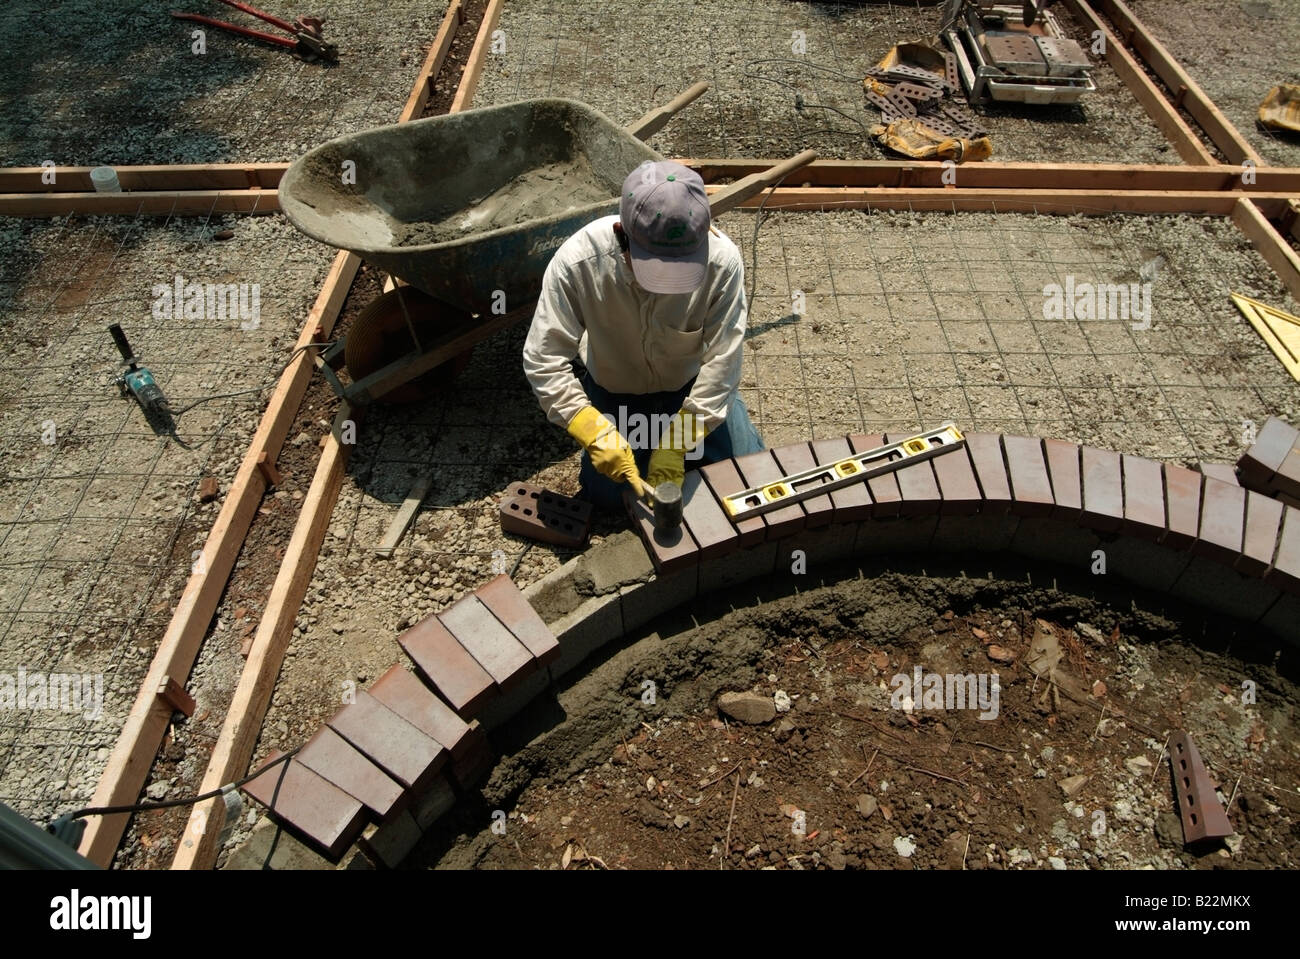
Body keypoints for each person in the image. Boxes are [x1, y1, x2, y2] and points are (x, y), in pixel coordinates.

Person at [523, 159, 764, 512]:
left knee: (746, 476)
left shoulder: (722, 262)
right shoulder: (578, 263)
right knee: (610, 498)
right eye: (654, 269)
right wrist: (588, 425)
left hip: (689, 391)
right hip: (617, 395)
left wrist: (677, 443)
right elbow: (544, 358)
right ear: (622, 233)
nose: (667, 287)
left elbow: (724, 362)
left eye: (681, 269)